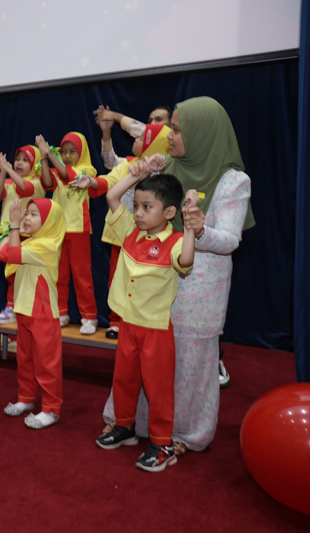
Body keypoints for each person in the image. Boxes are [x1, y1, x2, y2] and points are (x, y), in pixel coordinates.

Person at [101, 97, 254, 455]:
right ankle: (134, 423)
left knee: (189, 366)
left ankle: (184, 433)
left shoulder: (233, 181)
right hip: (153, 289)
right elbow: (134, 213)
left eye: (177, 130)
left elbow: (230, 240)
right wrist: (140, 174)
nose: (169, 135)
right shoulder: (166, 164)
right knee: (144, 364)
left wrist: (200, 231)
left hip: (200, 290)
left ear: (202, 134)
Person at [96, 163, 196, 472]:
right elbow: (112, 196)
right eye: (137, 206)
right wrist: (137, 175)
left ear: (169, 212)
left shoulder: (174, 241)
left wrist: (190, 228)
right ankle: (125, 427)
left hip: (155, 329)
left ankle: (163, 444)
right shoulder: (130, 231)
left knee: (157, 387)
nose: (138, 213)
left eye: (146, 207)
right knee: (124, 379)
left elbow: (186, 260)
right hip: (128, 324)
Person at [92, 122, 172, 338]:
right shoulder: (128, 164)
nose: (135, 139)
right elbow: (108, 170)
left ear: (152, 146)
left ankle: (137, 320)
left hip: (148, 238)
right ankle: (116, 320)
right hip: (123, 233)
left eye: (141, 138)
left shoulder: (162, 171)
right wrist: (106, 132)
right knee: (117, 278)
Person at [0, 198, 66, 429]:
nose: (27, 217)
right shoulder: (32, 240)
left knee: (47, 364)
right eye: (27, 213)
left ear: (50, 222)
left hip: (43, 314)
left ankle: (51, 409)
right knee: (24, 359)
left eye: (34, 215)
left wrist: (15, 227)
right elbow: (1, 252)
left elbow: (11, 254)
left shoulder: (48, 244)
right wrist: (16, 230)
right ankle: (26, 398)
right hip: (24, 310)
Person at [36, 132, 100, 335]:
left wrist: (50, 154)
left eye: (72, 151)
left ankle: (89, 317)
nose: (66, 156)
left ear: (82, 152)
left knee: (82, 275)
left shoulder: (87, 169)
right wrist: (44, 158)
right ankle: (61, 312)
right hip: (58, 230)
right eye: (63, 152)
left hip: (78, 229)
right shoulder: (59, 169)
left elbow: (68, 175)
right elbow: (48, 183)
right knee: (59, 274)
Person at [0, 146, 46, 325]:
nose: (19, 163)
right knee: (11, 274)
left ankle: (16, 308)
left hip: (27, 236)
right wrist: (2, 172)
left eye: (25, 160)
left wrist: (9, 169)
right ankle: (12, 307)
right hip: (9, 235)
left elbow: (25, 188)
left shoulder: (37, 182)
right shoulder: (9, 180)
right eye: (17, 159)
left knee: (22, 275)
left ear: (35, 163)